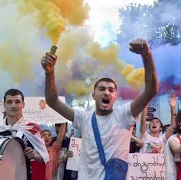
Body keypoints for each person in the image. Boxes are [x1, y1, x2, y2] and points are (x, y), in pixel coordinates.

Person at [41, 38, 158, 179]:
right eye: (102, 89)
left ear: (115, 97)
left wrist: (147, 55)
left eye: (111, 90)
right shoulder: (83, 118)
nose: (106, 92)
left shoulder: (124, 115)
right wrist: (49, 73)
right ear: (94, 95)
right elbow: (52, 101)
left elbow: (151, 89)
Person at [0, 89, 50, 180]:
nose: (13, 106)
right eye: (9, 102)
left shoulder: (33, 129)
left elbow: (44, 158)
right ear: (4, 105)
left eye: (17, 102)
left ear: (23, 104)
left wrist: (34, 155)